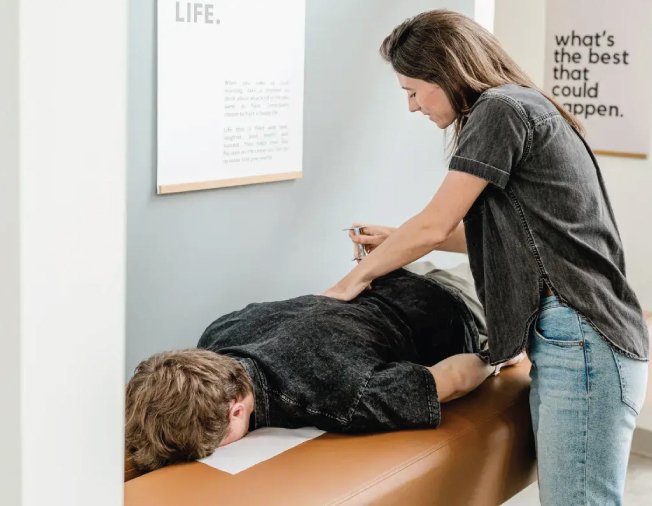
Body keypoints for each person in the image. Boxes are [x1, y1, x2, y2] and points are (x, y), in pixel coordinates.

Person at [323, 10, 649, 506]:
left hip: (582, 339)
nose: (411, 107)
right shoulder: (521, 106)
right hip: (582, 337)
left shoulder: (499, 110)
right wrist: (394, 240)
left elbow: (434, 224)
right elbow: (512, 238)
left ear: (446, 71)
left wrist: (350, 282)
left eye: (412, 90)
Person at [125, 266, 523, 472]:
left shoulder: (335, 394)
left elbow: (451, 381)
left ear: (236, 411)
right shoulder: (218, 332)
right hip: (396, 275)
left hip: (466, 305)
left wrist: (500, 357)